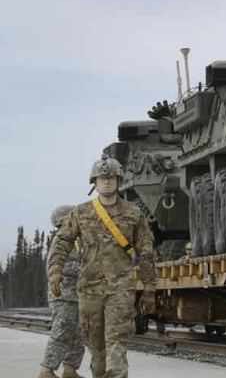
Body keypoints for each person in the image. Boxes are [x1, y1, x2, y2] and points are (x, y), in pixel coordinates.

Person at [47, 159, 156, 378]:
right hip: (89, 290)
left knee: (117, 340)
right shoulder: (81, 213)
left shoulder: (134, 214)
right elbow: (62, 242)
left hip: (120, 289)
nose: (106, 182)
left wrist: (149, 288)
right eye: (101, 178)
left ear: (119, 180)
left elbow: (145, 252)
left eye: (111, 178)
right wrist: (56, 271)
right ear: (94, 182)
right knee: (96, 346)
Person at [39, 205, 86, 378]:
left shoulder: (77, 240)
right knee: (62, 332)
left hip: (78, 296)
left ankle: (70, 369)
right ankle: (47, 370)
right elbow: (63, 267)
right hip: (63, 296)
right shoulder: (61, 240)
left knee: (78, 334)